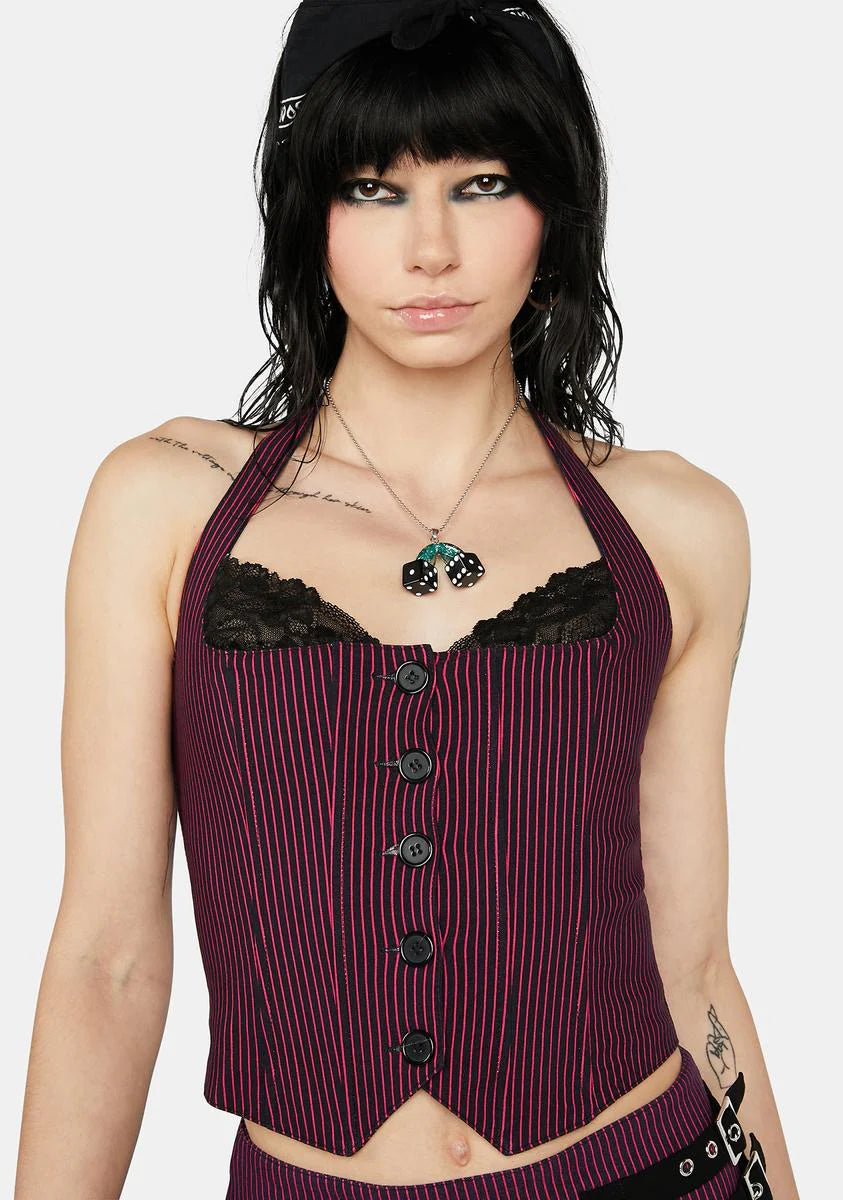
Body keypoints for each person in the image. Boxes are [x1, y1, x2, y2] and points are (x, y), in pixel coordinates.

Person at [15, 1, 798, 1197]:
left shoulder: (677, 525)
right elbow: (107, 961)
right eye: (374, 190)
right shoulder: (162, 504)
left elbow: (693, 965)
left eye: (482, 184)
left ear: (554, 210)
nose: (432, 249)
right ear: (308, 215)